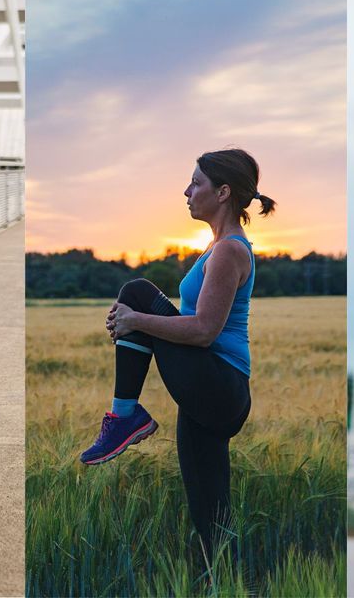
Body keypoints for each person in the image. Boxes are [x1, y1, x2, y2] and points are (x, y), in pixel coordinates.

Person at [85, 148, 274, 562]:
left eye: (196, 183)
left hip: (218, 382)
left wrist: (137, 321)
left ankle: (124, 416)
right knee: (209, 510)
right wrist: (135, 324)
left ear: (223, 192)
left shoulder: (229, 251)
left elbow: (205, 331)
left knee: (136, 293)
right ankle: (225, 583)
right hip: (210, 388)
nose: (186, 191)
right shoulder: (220, 247)